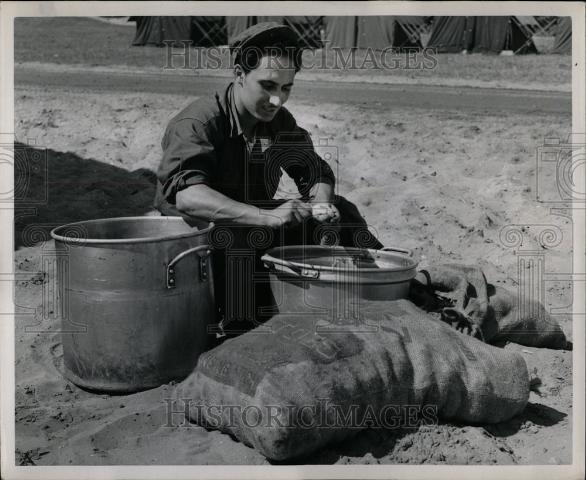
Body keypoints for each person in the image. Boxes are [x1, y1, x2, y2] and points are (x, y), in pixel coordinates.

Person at [154, 22, 383, 335]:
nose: (278, 100)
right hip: (196, 245)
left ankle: (383, 291)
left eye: (286, 88)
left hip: (254, 227)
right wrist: (266, 216)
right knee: (238, 247)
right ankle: (241, 326)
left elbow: (315, 172)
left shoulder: (277, 121)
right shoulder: (198, 122)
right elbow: (188, 197)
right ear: (239, 75)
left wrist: (322, 204)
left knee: (343, 211)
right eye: (268, 85)